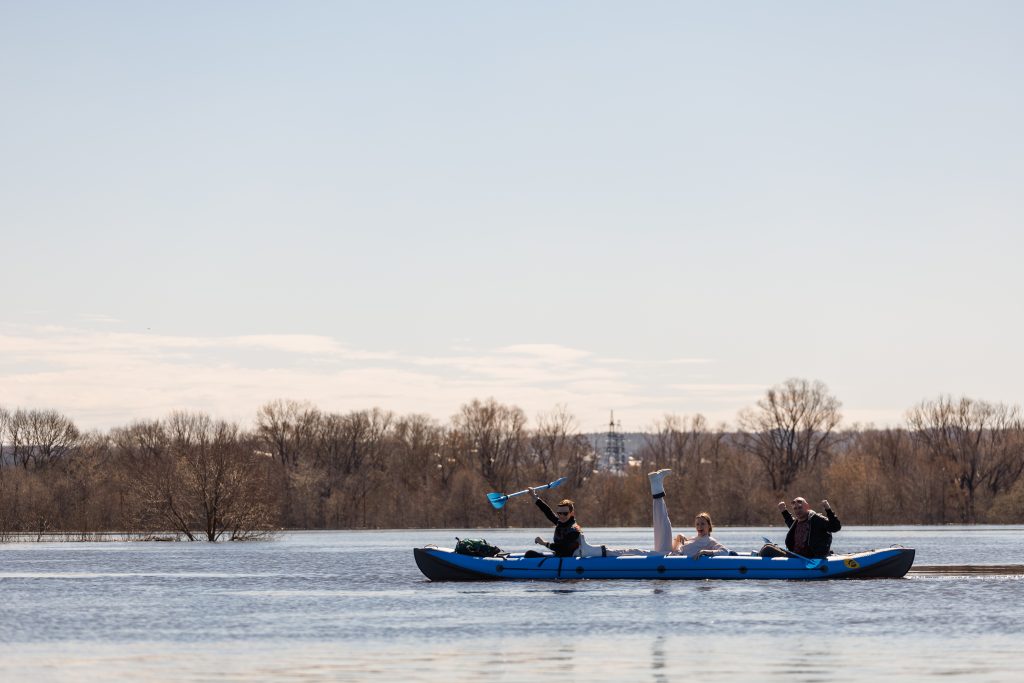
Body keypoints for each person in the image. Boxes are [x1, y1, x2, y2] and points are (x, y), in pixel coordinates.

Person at [648, 469, 730, 557]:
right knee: (663, 523)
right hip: (668, 554)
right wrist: (679, 538)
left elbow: (725, 551)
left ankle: (656, 484)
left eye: (702, 524)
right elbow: (676, 548)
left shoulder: (710, 541)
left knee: (664, 525)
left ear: (709, 526)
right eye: (697, 524)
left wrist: (705, 552)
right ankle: (657, 485)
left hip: (669, 557)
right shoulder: (692, 539)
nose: (699, 526)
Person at [777, 496, 841, 558]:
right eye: (795, 508)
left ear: (807, 506)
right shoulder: (796, 523)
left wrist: (828, 509)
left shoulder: (816, 519)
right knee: (769, 547)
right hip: (796, 556)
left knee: (768, 549)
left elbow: (835, 527)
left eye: (800, 508)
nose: (798, 511)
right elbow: (790, 521)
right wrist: (784, 511)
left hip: (811, 558)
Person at [527, 489, 581, 557]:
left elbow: (561, 548)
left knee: (529, 555)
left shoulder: (574, 530)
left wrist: (544, 543)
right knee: (529, 553)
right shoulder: (561, 523)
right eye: (559, 513)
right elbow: (547, 511)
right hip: (559, 556)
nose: (561, 516)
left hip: (567, 559)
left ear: (571, 514)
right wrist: (534, 496)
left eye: (565, 513)